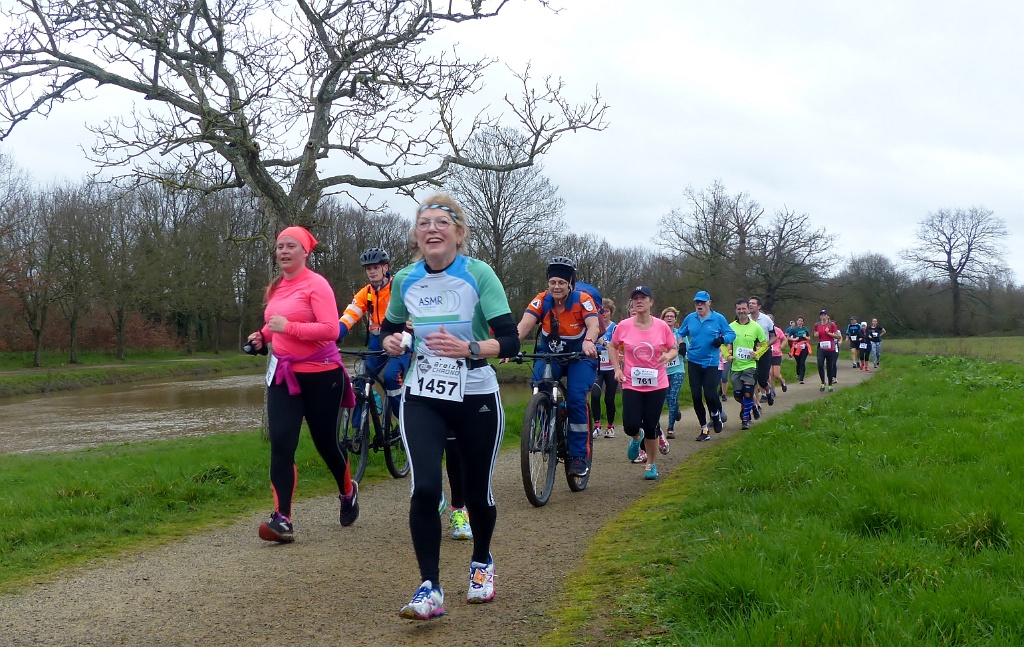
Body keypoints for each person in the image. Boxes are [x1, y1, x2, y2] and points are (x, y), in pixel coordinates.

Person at [381, 194, 520, 620]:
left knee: (477, 491)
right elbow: (389, 329)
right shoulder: (405, 279)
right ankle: (430, 587)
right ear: (416, 235)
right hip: (423, 392)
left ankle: (481, 562)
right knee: (425, 487)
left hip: (475, 391)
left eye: (442, 222)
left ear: (458, 234)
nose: (432, 229)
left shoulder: (478, 274)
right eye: (424, 223)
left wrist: (471, 348)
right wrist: (392, 342)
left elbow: (511, 341)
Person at [245, 226, 359, 544]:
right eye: (280, 246)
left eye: (290, 246)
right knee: (282, 444)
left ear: (305, 252)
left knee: (326, 444)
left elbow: (330, 330)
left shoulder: (316, 284)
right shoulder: (276, 288)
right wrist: (263, 337)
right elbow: (275, 325)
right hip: (284, 375)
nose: (283, 251)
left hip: (322, 375)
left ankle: (347, 491)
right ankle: (282, 518)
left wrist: (289, 328)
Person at [513, 256, 601, 478]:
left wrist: (588, 341)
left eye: (561, 282)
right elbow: (524, 325)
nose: (556, 287)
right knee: (540, 384)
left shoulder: (583, 300)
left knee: (576, 397)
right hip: (550, 354)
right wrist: (509, 346)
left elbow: (593, 325)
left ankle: (579, 456)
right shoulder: (541, 300)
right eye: (552, 282)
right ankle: (548, 425)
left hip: (579, 356)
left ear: (570, 283)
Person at [608, 286, 678, 480]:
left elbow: (674, 348)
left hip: (657, 383)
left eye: (643, 298)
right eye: (635, 298)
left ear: (651, 302)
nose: (639, 301)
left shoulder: (661, 326)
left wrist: (668, 356)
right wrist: (617, 369)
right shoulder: (624, 326)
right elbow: (612, 347)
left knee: (651, 425)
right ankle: (636, 438)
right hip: (632, 382)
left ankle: (650, 464)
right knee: (630, 425)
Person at [338, 248, 411, 431]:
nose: (371, 271)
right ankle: (357, 433)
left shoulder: (398, 288)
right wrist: (334, 334)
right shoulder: (366, 293)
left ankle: (404, 426)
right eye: (368, 268)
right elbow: (350, 315)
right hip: (377, 341)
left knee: (391, 378)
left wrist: (410, 331)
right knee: (361, 380)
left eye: (376, 267)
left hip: (399, 341)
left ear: (385, 267)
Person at [676, 291, 735, 442]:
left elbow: (731, 334)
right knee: (696, 396)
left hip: (711, 362)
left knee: (710, 394)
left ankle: (715, 414)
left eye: (702, 302)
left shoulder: (718, 318)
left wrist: (722, 339)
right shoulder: (690, 318)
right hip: (694, 361)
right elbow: (680, 333)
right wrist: (682, 344)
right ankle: (704, 428)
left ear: (709, 302)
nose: (699, 305)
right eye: (697, 302)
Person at [725, 298, 768, 430]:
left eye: (744, 308)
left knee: (748, 393)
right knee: (738, 396)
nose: (741, 311)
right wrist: (727, 355)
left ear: (748, 310)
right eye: (739, 309)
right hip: (736, 366)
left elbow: (765, 345)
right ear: (736, 310)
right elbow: (722, 344)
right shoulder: (730, 327)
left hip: (750, 365)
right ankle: (752, 406)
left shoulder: (756, 327)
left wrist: (757, 353)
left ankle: (745, 418)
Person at [592, 298, 619, 439]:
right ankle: (597, 425)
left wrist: (603, 342)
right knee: (595, 395)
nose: (604, 314)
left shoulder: (615, 328)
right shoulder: (593, 327)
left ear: (611, 313)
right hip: (596, 367)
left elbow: (617, 347)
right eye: (601, 311)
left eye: (606, 311)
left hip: (611, 368)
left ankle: (610, 426)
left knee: (609, 398)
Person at [660, 307, 685, 441]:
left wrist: (679, 350)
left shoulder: (680, 334)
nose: (669, 318)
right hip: (663, 371)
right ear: (663, 319)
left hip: (677, 370)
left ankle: (670, 428)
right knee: (667, 398)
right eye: (667, 316)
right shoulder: (658, 333)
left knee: (673, 397)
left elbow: (686, 350)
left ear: (675, 320)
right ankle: (676, 409)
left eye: (672, 316)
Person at [747, 296, 776, 408]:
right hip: (750, 353)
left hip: (764, 353)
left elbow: (774, 337)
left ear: (759, 306)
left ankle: (768, 392)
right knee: (752, 379)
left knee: (762, 380)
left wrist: (764, 346)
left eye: (753, 303)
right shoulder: (746, 319)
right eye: (749, 303)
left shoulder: (766, 319)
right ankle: (757, 404)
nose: (750, 305)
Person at [814, 309, 842, 392]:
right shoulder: (817, 324)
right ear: (820, 316)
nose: (823, 316)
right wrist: (816, 335)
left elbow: (838, 336)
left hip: (830, 348)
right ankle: (823, 382)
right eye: (822, 315)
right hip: (821, 348)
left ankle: (830, 384)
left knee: (830, 366)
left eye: (825, 315)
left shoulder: (832, 325)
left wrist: (829, 333)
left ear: (827, 316)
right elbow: (815, 334)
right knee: (820, 364)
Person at [787, 316, 811, 384]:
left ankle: (801, 378)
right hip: (796, 347)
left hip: (804, 347)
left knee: (802, 362)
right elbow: (788, 337)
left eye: (801, 321)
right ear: (797, 321)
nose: (800, 322)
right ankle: (798, 374)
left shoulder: (805, 329)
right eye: (799, 321)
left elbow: (809, 338)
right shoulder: (793, 329)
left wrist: (805, 337)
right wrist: (794, 339)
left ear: (803, 322)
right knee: (798, 362)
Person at [769, 323, 787, 393]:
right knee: (771, 373)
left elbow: (785, 339)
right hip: (768, 354)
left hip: (777, 355)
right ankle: (773, 391)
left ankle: (782, 381)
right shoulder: (764, 330)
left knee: (776, 374)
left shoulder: (777, 330)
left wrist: (780, 347)